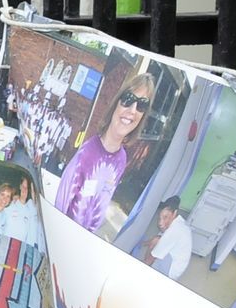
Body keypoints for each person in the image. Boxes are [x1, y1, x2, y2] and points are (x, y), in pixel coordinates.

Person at [53, 72, 155, 233]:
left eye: (141, 105)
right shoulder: (87, 154)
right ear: (116, 103)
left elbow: (100, 206)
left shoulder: (121, 159)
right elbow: (59, 208)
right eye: (128, 99)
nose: (133, 110)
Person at [144, 195, 194, 281]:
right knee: (156, 240)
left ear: (174, 213)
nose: (160, 222)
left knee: (155, 246)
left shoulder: (173, 231)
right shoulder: (179, 221)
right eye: (160, 218)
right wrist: (143, 243)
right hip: (178, 261)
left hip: (171, 269)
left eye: (165, 217)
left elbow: (152, 257)